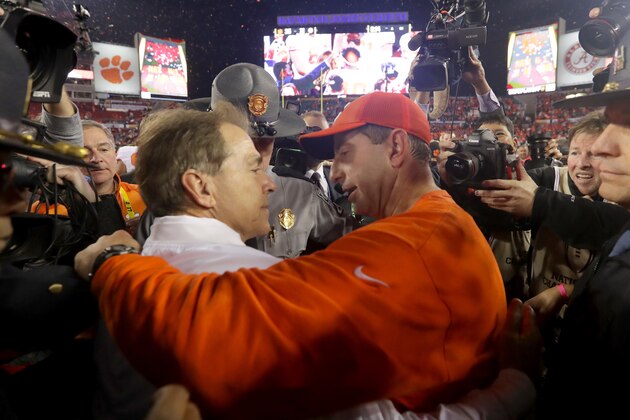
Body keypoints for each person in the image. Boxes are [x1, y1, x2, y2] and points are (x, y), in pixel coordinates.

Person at [75, 91, 507, 419]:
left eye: (344, 153)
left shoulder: (411, 241)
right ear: (201, 186)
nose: (271, 181)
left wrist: (110, 261)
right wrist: (509, 394)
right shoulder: (418, 233)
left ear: (395, 148)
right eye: (254, 166)